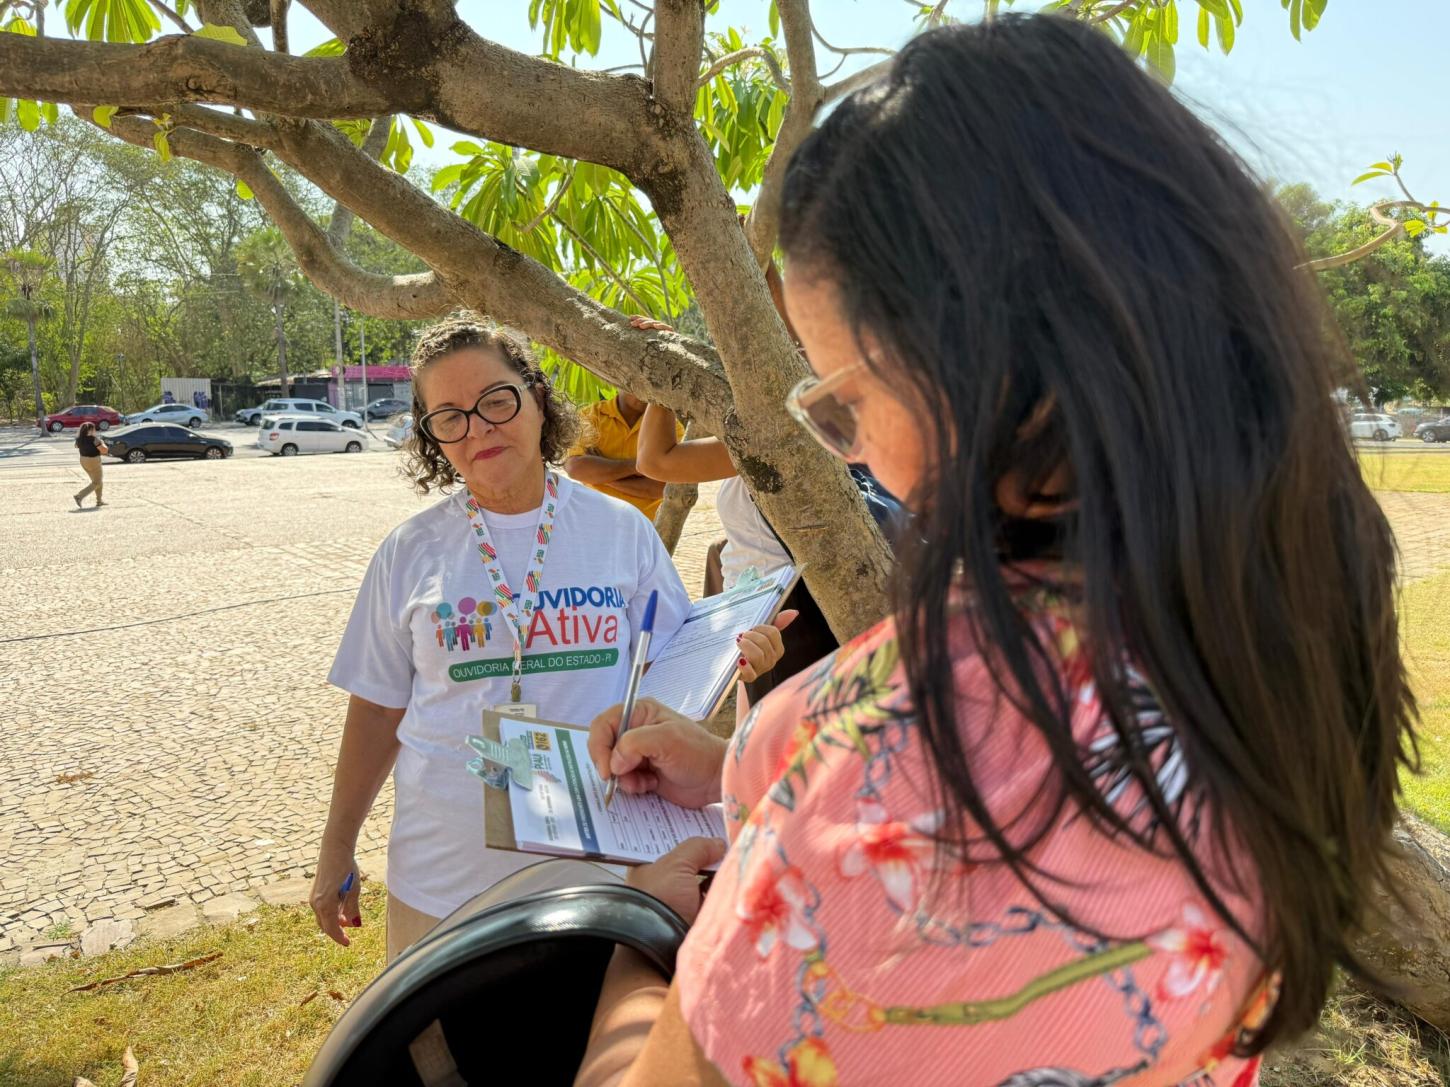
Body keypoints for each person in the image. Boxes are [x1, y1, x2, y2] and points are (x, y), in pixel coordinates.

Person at [572, 16, 1416, 1087]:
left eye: (848, 402)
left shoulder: (901, 758)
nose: (860, 453)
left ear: (990, 363)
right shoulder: (1286, 612)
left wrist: (635, 931)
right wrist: (744, 781)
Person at [311, 313, 794, 962]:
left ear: (538, 397)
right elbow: (375, 707)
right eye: (449, 416)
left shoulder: (621, 530)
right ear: (433, 439)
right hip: (443, 885)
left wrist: (743, 655)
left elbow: (675, 668)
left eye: (496, 400)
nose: (478, 427)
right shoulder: (409, 552)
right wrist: (337, 843)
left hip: (605, 877)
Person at [565, 389, 683, 521]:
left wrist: (600, 476)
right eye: (635, 383)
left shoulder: (670, 428)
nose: (642, 390)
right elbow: (575, 468)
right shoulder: (589, 416)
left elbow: (662, 488)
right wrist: (639, 466)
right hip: (593, 519)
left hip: (644, 525)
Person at [73, 421, 107, 508]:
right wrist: (102, 443)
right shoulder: (94, 439)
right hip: (94, 460)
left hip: (83, 460)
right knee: (97, 482)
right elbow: (104, 450)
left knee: (97, 481)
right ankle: (79, 496)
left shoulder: (79, 439)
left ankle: (99, 500)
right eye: (94, 429)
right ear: (91, 430)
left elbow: (76, 446)